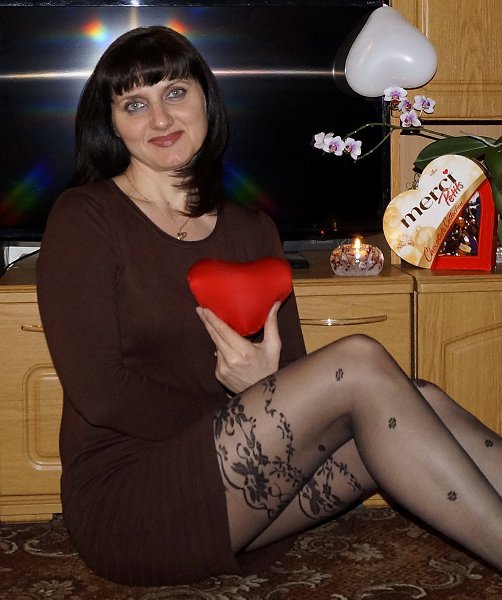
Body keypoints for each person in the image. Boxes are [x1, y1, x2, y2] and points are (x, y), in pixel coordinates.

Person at [37, 26, 502, 587]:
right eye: (135, 104)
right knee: (357, 360)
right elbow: (101, 393)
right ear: (112, 124)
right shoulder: (85, 218)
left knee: (419, 400)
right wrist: (246, 404)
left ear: (206, 101)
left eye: (175, 93)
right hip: (134, 496)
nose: (160, 119)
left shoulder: (253, 230)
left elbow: (298, 378)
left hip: (247, 487)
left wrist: (263, 392)